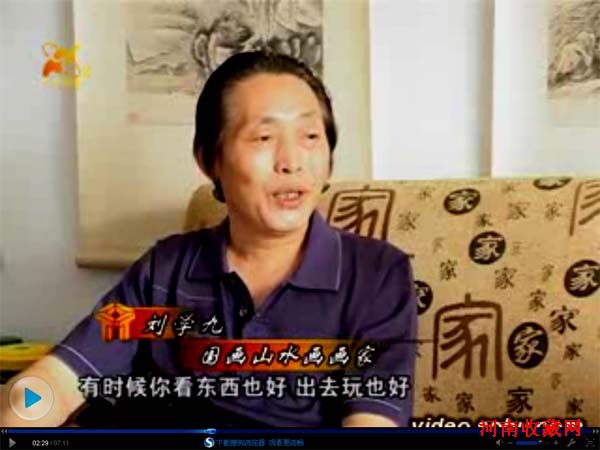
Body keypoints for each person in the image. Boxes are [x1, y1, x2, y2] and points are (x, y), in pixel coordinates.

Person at [0, 51, 417, 427]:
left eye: (310, 137)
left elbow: (374, 420)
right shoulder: (166, 269)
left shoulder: (377, 275)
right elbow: (61, 379)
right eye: (264, 138)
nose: (292, 162)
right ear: (209, 160)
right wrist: (23, 410)